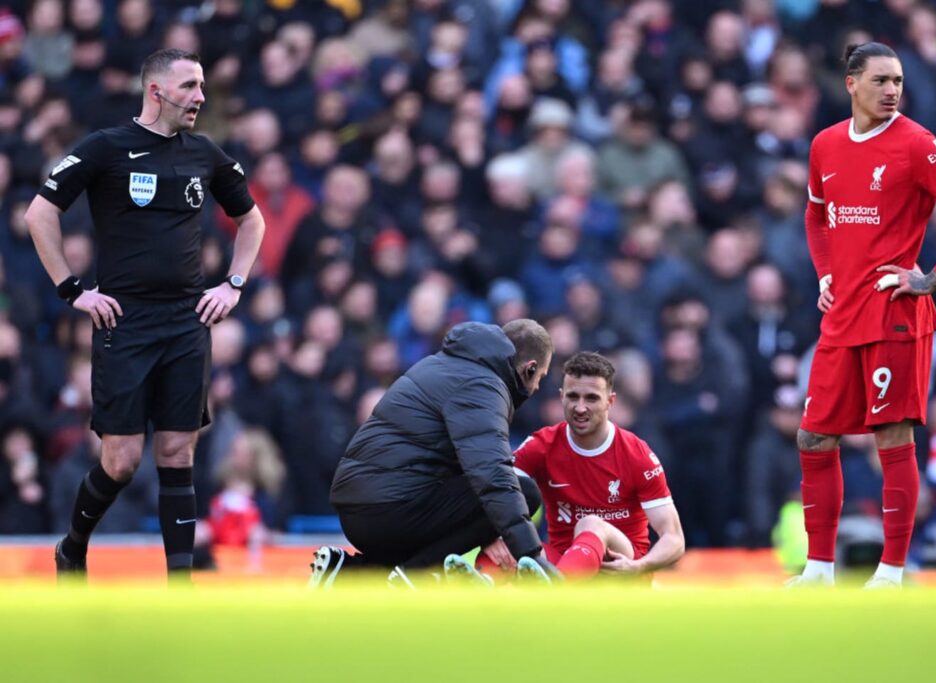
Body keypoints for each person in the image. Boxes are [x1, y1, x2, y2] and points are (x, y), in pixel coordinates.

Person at [25, 48, 265, 580]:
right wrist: (73, 290)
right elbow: (40, 213)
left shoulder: (204, 153)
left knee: (178, 452)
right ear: (156, 91)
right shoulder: (106, 148)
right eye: (189, 86)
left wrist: (234, 284)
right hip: (124, 321)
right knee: (122, 461)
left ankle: (179, 585)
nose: (200, 97)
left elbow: (252, 221)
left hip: (186, 319)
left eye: (202, 85)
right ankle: (72, 547)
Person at [793, 42, 936, 589]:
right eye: (881, 80)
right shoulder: (826, 144)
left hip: (894, 317)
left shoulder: (916, 144)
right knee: (813, 437)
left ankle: (893, 569)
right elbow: (816, 217)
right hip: (842, 317)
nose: (892, 91)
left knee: (892, 439)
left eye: (899, 82)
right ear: (851, 84)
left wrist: (929, 279)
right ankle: (818, 569)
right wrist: (825, 273)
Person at [310, 319, 556, 587]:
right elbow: (493, 475)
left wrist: (489, 531)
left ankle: (348, 573)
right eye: (540, 378)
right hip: (388, 508)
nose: (537, 389)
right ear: (529, 369)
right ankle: (412, 576)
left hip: (364, 505)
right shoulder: (483, 385)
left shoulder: (445, 364)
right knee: (525, 492)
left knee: (496, 499)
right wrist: (532, 556)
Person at [454, 351, 685, 582]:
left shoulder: (637, 454)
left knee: (590, 523)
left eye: (591, 398)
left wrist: (639, 566)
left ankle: (558, 591)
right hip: (565, 562)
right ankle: (478, 590)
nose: (580, 407)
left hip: (621, 570)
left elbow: (674, 539)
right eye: (573, 397)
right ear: (562, 397)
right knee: (505, 543)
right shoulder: (542, 445)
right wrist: (490, 536)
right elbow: (495, 488)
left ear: (610, 401)